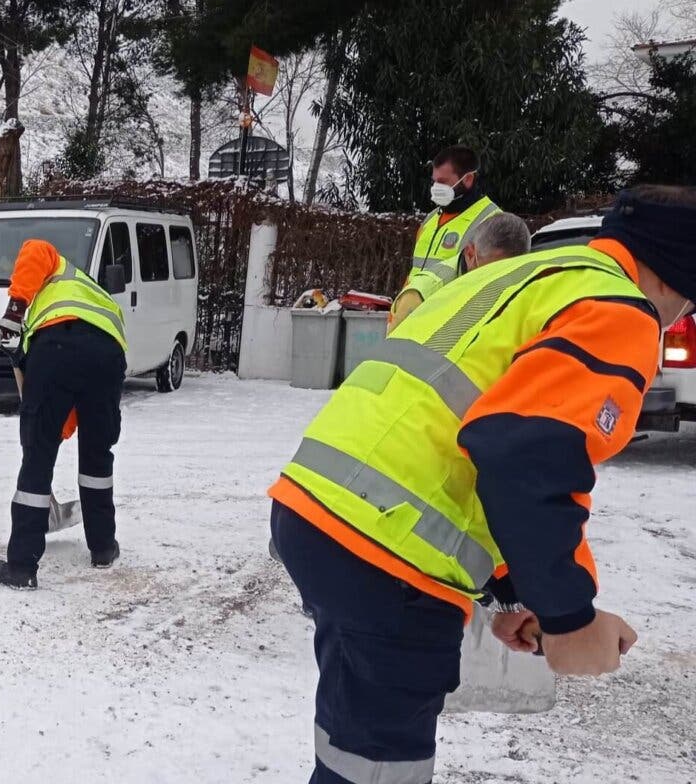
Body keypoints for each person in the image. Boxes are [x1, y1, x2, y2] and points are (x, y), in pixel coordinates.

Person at [269, 184, 696, 783]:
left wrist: (517, 597)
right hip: (390, 552)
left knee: (354, 742)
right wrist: (570, 619)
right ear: (673, 277)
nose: (682, 318)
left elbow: (471, 439)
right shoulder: (620, 310)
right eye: (690, 303)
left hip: (320, 510)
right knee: (379, 767)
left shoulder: (531, 274)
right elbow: (526, 458)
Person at [0, 239, 127, 589]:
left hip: (57, 347)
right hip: (109, 356)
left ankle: (21, 567)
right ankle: (103, 547)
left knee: (37, 458)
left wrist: (15, 310)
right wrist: (51, 428)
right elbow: (68, 412)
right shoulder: (92, 294)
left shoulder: (54, 267)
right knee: (98, 454)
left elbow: (34, 247)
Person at [389, 212, 532, 331]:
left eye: (512, 273)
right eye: (493, 271)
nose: (502, 281)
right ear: (470, 254)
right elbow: (396, 356)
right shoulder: (423, 295)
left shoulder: (523, 288)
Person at [409, 145, 502, 281]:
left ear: (468, 179)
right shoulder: (430, 219)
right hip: (417, 302)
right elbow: (412, 273)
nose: (435, 188)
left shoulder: (494, 222)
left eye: (442, 182)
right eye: (434, 182)